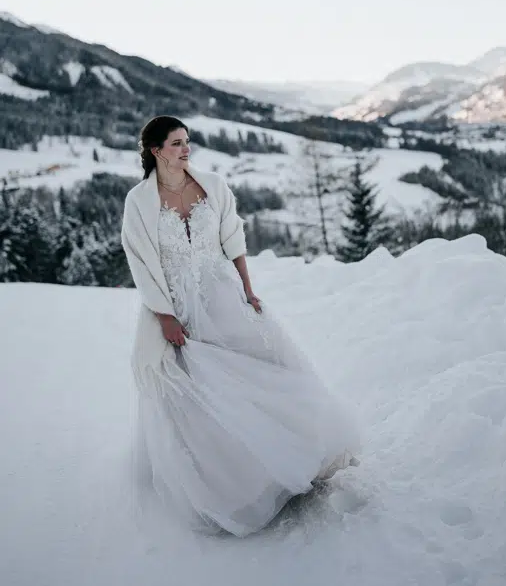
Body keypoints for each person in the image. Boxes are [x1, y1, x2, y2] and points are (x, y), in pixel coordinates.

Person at [121, 115, 362, 537]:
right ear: (156, 150)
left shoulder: (212, 185)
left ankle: (300, 454)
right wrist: (165, 315)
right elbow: (141, 263)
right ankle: (236, 488)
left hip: (221, 293)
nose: (186, 149)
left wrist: (248, 290)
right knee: (199, 388)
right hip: (175, 302)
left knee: (260, 365)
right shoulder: (139, 202)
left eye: (187, 141)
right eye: (177, 143)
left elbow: (233, 240)